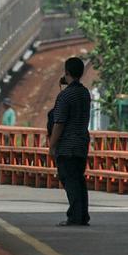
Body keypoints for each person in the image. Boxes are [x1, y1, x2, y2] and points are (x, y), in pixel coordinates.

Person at [49, 57, 91, 227]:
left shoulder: (65, 96)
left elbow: (59, 123)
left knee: (69, 180)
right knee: (79, 180)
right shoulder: (84, 93)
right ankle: (82, 215)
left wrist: (52, 145)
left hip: (67, 145)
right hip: (82, 142)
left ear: (67, 72)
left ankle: (74, 216)